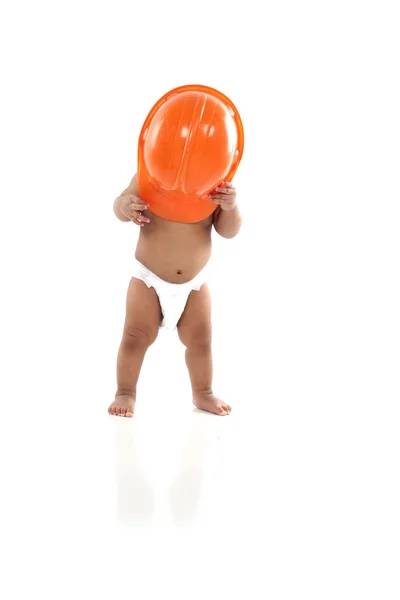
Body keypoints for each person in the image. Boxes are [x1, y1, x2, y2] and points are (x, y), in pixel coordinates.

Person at [108, 174, 242, 418]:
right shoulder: (149, 173)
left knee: (201, 341)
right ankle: (125, 392)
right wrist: (125, 205)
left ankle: (203, 391)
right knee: (135, 337)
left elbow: (228, 231)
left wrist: (230, 206)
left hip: (193, 285)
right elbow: (119, 205)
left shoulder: (214, 180)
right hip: (149, 280)